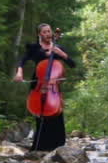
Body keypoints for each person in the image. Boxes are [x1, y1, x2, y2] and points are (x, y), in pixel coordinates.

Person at [14, 23, 76, 151]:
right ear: (39, 34)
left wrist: (61, 53)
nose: (48, 34)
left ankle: (57, 147)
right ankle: (40, 147)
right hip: (39, 84)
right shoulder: (34, 48)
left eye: (49, 31)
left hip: (54, 87)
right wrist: (19, 72)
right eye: (44, 32)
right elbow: (22, 60)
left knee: (56, 116)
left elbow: (72, 64)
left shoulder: (58, 48)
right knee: (40, 114)